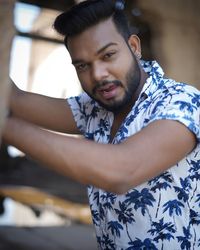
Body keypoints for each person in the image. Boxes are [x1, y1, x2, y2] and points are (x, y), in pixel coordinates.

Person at [3, 0, 200, 249]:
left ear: (134, 47)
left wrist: (5, 128)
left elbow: (121, 171)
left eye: (108, 55)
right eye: (83, 65)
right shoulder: (94, 109)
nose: (98, 75)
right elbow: (15, 100)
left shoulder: (183, 101)